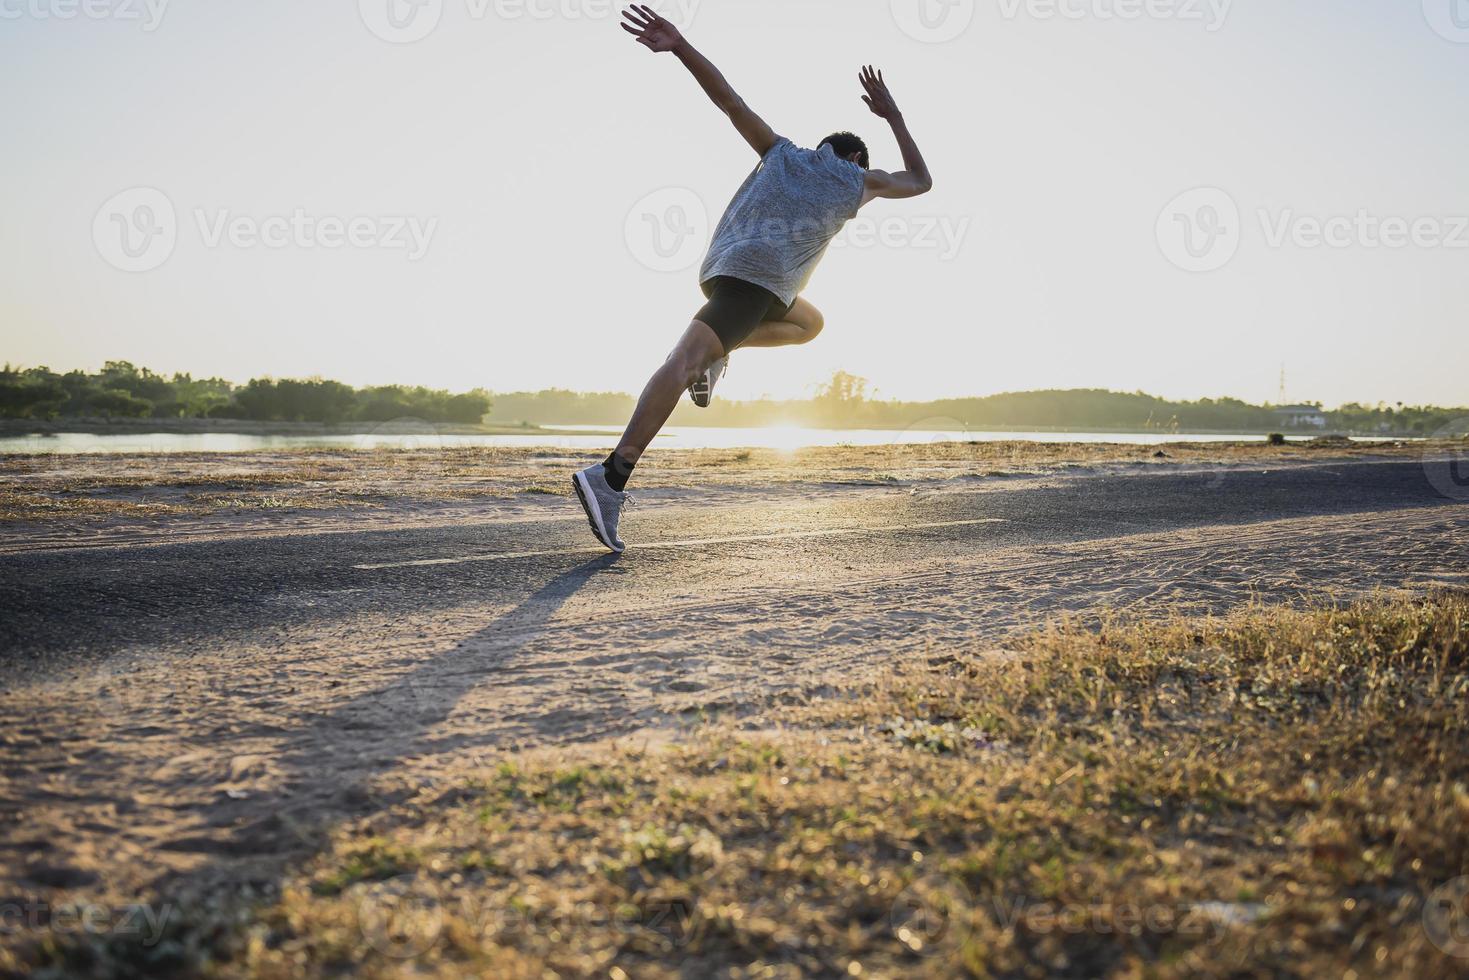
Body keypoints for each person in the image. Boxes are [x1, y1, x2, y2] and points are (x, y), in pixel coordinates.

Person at [573, 4, 934, 552]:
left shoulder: (783, 153)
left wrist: (681, 47)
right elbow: (922, 181)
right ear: (857, 158)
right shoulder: (860, 180)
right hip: (756, 284)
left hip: (727, 274)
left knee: (809, 322)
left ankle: (720, 357)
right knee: (683, 361)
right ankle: (612, 476)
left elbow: (729, 101)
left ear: (821, 147)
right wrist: (896, 117)